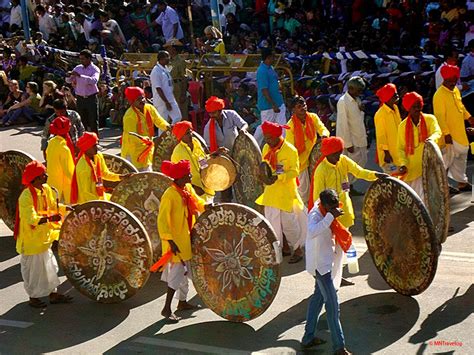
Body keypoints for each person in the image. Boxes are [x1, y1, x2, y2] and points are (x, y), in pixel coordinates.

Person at [308, 137, 387, 286]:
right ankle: (330, 280)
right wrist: (330, 215)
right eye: (336, 153)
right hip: (330, 217)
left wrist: (375, 176)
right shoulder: (321, 170)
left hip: (345, 213)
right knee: (333, 251)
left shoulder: (343, 161)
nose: (339, 156)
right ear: (328, 154)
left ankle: (335, 277)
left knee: (341, 249)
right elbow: (318, 198)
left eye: (340, 152)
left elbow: (359, 172)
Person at [15, 160, 73, 308]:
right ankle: (33, 298)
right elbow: (31, 219)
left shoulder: (46, 189)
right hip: (32, 242)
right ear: (35, 179)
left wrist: (66, 208)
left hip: (45, 238)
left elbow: (54, 207)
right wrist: (49, 218)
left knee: (51, 268)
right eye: (43, 175)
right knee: (34, 272)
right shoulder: (25, 197)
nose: (46, 176)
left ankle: (53, 294)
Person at [302, 188, 351, 355]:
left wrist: (332, 215)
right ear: (323, 205)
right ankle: (339, 347)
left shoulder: (326, 211)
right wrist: (331, 217)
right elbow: (313, 231)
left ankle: (308, 338)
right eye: (331, 208)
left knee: (317, 299)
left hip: (324, 263)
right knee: (332, 305)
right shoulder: (315, 214)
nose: (334, 210)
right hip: (320, 266)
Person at [158, 159, 205, 322]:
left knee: (186, 273)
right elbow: (162, 221)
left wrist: (208, 207)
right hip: (175, 242)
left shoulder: (187, 189)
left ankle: (182, 303)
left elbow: (198, 203)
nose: (191, 175)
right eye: (188, 174)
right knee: (177, 275)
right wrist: (171, 242)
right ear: (180, 178)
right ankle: (166, 309)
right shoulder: (169, 195)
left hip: (186, 238)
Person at [256, 121, 307, 264]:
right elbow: (264, 166)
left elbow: (295, 171)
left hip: (286, 193)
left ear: (278, 136)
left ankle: (297, 250)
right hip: (271, 193)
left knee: (289, 224)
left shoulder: (290, 150)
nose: (267, 141)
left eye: (269, 137)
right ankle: (282, 249)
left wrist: (279, 176)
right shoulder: (266, 147)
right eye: (265, 137)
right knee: (272, 225)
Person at [433, 65, 473, 192]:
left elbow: (460, 106)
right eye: (449, 80)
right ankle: (442, 186)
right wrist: (446, 134)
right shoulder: (439, 95)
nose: (452, 83)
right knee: (446, 161)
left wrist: (469, 117)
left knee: (461, 157)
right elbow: (439, 117)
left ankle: (462, 183)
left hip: (460, 131)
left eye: (454, 80)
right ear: (444, 79)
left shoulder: (455, 90)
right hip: (448, 135)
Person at [397, 92, 442, 202]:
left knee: (426, 198)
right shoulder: (402, 126)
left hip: (429, 164)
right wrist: (403, 164)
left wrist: (432, 139)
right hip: (411, 168)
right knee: (414, 200)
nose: (417, 108)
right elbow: (400, 148)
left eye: (419, 105)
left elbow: (437, 131)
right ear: (408, 108)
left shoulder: (430, 119)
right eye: (414, 106)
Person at [286, 96, 329, 203]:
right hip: (301, 163)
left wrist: (323, 136)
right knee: (304, 193)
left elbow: (323, 129)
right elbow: (290, 149)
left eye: (304, 105)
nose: (303, 108)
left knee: (320, 188)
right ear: (293, 110)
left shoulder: (313, 117)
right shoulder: (290, 126)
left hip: (316, 159)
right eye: (299, 106)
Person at [121, 86, 170, 171]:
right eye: (138, 99)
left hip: (147, 149)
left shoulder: (150, 108)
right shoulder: (129, 116)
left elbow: (159, 121)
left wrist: (168, 127)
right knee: (135, 177)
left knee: (147, 174)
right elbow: (132, 136)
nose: (142, 101)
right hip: (132, 151)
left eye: (142, 98)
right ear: (132, 102)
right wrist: (145, 140)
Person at [70, 132, 127, 204]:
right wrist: (101, 204)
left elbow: (105, 174)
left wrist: (121, 177)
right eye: (94, 146)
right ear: (87, 148)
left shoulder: (98, 156)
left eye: (96, 145)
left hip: (99, 197)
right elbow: (86, 193)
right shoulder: (82, 167)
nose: (97, 148)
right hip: (88, 203)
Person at [335, 76, 368, 194]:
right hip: (351, 142)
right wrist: (348, 144)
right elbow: (343, 124)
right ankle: (345, 190)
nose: (360, 93)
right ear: (350, 88)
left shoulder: (357, 100)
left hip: (360, 137)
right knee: (349, 168)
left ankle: (350, 186)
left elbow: (358, 119)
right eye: (358, 90)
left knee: (361, 163)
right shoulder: (343, 102)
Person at [171, 121, 214, 202]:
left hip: (206, 188)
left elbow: (202, 159)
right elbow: (177, 178)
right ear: (181, 136)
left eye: (190, 132)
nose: (190, 135)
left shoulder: (195, 142)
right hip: (193, 193)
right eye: (187, 133)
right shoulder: (177, 152)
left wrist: (208, 173)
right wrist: (193, 188)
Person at [254, 48, 286, 146]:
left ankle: (283, 146)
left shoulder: (270, 67)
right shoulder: (262, 71)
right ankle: (253, 144)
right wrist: (273, 105)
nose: (274, 59)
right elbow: (264, 90)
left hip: (278, 102)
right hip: (268, 106)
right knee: (265, 128)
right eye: (273, 57)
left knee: (282, 127)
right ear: (268, 58)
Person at [66, 49, 100, 135]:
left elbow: (94, 81)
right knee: (81, 120)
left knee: (93, 121)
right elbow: (69, 81)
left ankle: (95, 141)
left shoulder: (95, 69)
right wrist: (69, 76)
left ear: (89, 59)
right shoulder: (78, 68)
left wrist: (80, 76)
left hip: (91, 98)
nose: (81, 61)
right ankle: (82, 140)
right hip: (80, 98)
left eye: (83, 59)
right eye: (80, 59)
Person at [46, 116, 75, 204]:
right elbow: (69, 171)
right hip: (62, 186)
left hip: (51, 181)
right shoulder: (64, 148)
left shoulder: (51, 142)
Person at [374, 83, 402, 173]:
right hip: (389, 154)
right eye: (394, 95)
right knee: (393, 177)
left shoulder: (395, 108)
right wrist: (386, 153)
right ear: (387, 98)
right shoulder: (380, 114)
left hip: (398, 150)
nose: (397, 96)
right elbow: (381, 136)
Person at [150, 50, 181, 125]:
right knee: (163, 123)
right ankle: (163, 136)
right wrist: (166, 102)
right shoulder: (156, 71)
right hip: (161, 101)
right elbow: (158, 88)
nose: (169, 58)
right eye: (167, 57)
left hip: (170, 98)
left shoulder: (165, 69)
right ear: (161, 59)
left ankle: (171, 134)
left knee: (178, 117)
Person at [164, 39, 189, 120]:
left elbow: (184, 78)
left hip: (177, 87)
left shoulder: (180, 61)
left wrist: (183, 94)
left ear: (174, 49)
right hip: (168, 87)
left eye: (168, 48)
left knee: (180, 111)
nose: (167, 50)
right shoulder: (167, 61)